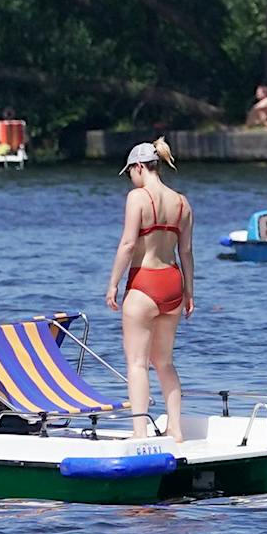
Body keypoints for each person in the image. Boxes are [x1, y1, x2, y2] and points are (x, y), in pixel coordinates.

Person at [105, 138, 194, 441]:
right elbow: (187, 253)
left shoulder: (137, 198)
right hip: (173, 283)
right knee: (165, 362)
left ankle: (139, 431)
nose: (131, 178)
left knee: (137, 363)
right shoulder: (182, 203)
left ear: (140, 167)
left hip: (144, 281)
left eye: (130, 172)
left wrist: (113, 283)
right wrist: (190, 293)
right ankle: (176, 429)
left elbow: (129, 244)